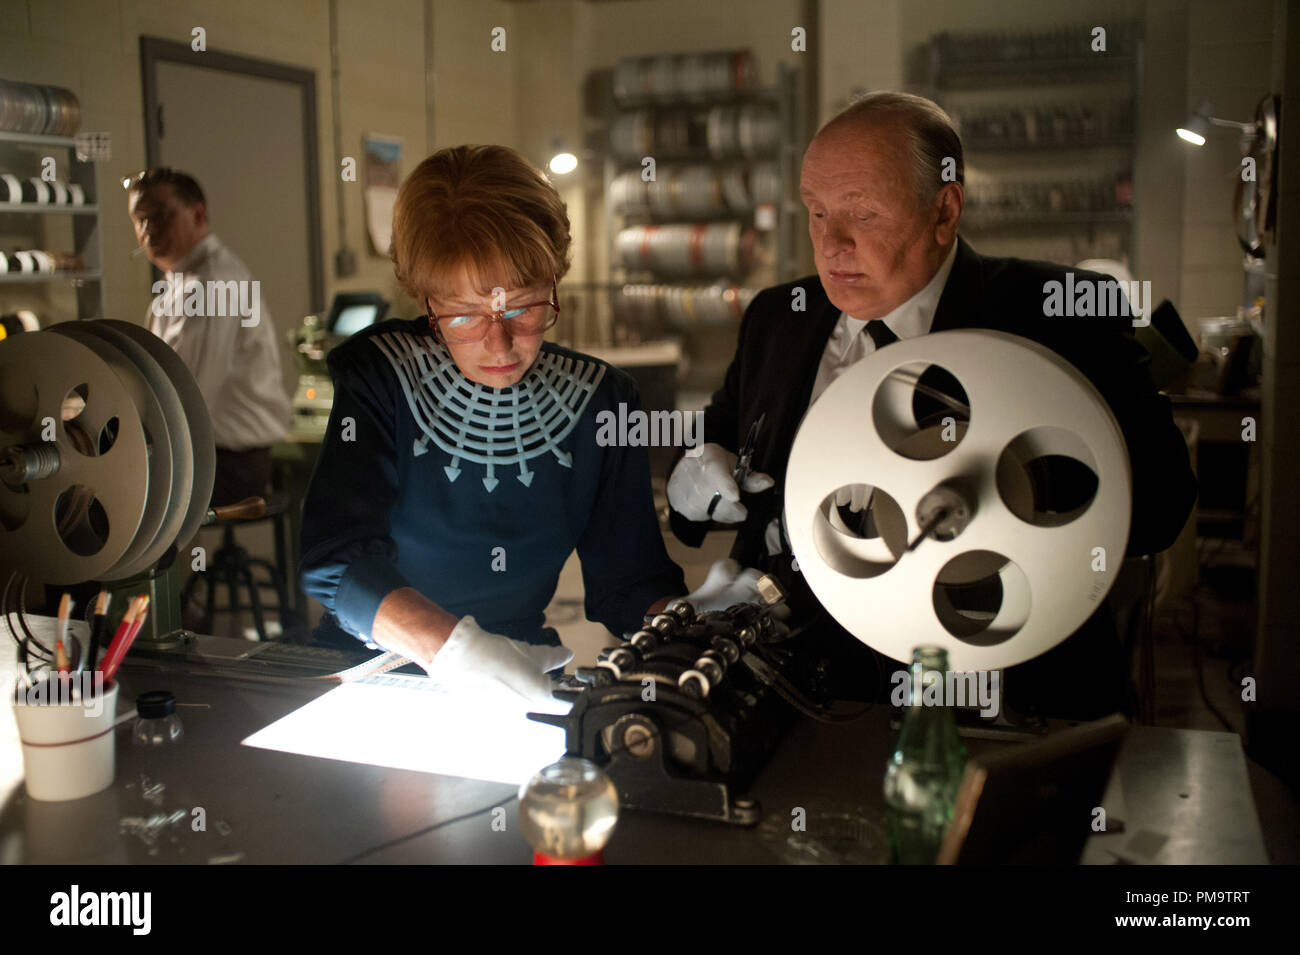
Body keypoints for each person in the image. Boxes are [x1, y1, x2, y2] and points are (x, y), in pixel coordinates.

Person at [667, 92, 1197, 719]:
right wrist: (691, 481)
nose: (832, 244)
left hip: (989, 690)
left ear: (943, 209)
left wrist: (1000, 497)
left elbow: (1161, 502)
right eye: (815, 213)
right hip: (794, 687)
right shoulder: (780, 317)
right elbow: (720, 445)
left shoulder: (1062, 312)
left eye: (862, 215)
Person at [299, 145, 753, 709]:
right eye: (463, 315)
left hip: (517, 665)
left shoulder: (602, 401)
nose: (499, 344)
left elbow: (627, 584)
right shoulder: (381, 374)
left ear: (555, 282)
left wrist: (684, 620)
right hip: (371, 665)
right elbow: (333, 562)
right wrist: (450, 650)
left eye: (523, 308)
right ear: (425, 298)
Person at [126, 168, 290, 506]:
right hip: (206, 455)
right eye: (138, 220)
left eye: (159, 216)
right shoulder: (182, 282)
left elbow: (183, 394)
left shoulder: (212, 283)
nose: (147, 231)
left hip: (229, 464)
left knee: (107, 497)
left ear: (198, 214)